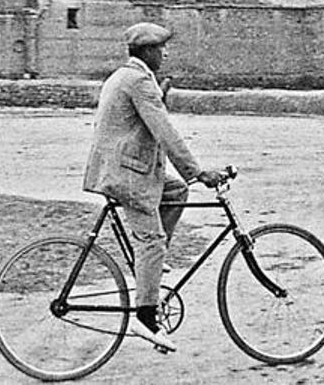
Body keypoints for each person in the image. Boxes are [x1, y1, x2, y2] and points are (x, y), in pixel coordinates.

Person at [83, 22, 225, 352]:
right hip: (128, 175)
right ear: (147, 51)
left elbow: (138, 120)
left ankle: (151, 265)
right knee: (152, 239)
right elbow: (165, 132)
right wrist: (198, 172)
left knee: (175, 193)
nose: (166, 52)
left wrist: (159, 98)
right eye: (161, 47)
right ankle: (145, 318)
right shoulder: (139, 81)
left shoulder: (122, 76)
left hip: (119, 167)